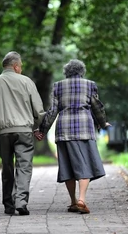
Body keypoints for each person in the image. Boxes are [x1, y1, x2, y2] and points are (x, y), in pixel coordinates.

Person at [34, 59, 110, 214]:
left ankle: (73, 201)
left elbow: (52, 111)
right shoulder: (90, 85)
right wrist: (103, 124)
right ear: (82, 72)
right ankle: (81, 200)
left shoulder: (58, 86)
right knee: (85, 164)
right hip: (84, 129)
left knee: (67, 166)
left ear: (66, 73)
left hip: (64, 131)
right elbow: (97, 107)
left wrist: (43, 130)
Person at [0, 51, 45, 216]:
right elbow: (38, 109)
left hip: (2, 133)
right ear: (16, 66)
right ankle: (21, 202)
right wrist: (37, 127)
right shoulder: (26, 82)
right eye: (20, 67)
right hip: (24, 131)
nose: (21, 69)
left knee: (7, 167)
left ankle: (9, 205)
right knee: (24, 167)